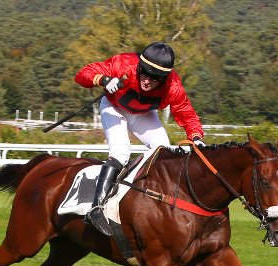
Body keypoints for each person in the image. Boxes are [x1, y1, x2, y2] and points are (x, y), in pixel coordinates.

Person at [75, 41, 205, 236]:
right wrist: (103, 79)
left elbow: (185, 112)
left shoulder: (173, 86)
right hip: (113, 107)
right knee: (121, 153)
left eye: (155, 78)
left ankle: (155, 205)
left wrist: (196, 137)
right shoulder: (123, 64)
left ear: (164, 78)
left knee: (163, 151)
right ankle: (96, 208)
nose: (147, 81)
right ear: (139, 66)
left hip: (142, 114)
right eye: (144, 73)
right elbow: (82, 74)